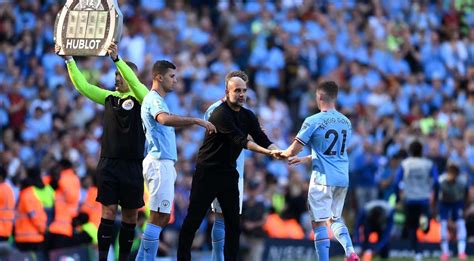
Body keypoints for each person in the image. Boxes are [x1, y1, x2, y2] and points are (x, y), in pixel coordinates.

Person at [177, 70, 282, 261]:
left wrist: (278, 151)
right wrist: (268, 153)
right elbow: (242, 141)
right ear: (227, 92)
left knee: (234, 224)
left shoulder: (248, 115)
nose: (241, 94)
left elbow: (262, 137)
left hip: (228, 172)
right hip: (208, 172)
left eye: (244, 90)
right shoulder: (219, 113)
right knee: (194, 219)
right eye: (237, 91)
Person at [56, 43, 148, 261]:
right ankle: (102, 259)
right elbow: (83, 86)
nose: (117, 78)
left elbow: (137, 85)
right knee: (107, 212)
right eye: (116, 74)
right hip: (109, 163)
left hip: (133, 164)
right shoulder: (108, 98)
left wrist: (117, 60)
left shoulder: (144, 100)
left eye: (121, 74)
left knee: (130, 215)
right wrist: (69, 59)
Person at [136, 60, 216, 261]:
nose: (175, 80)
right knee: (158, 217)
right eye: (172, 76)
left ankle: (141, 259)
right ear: (158, 77)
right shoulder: (154, 99)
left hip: (164, 163)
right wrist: (195, 120)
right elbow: (163, 119)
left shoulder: (159, 100)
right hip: (158, 163)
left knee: (161, 217)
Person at [279, 81, 359, 261]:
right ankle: (350, 251)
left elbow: (292, 150)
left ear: (319, 97)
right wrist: (305, 159)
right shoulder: (345, 122)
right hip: (342, 177)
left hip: (322, 178)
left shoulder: (313, 120)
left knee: (318, 222)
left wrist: (279, 153)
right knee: (335, 218)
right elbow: (333, 152)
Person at [395, 140, 438, 261]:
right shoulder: (429, 164)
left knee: (412, 227)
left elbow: (396, 182)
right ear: (422, 151)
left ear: (410, 151)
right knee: (425, 226)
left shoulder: (405, 164)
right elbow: (436, 182)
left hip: (410, 199)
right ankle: (425, 224)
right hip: (424, 198)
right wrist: (436, 196)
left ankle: (417, 253)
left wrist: (398, 198)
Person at [438, 164, 468, 261]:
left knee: (461, 224)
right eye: (450, 173)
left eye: (453, 173)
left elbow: (466, 194)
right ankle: (445, 253)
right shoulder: (441, 181)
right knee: (443, 224)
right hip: (444, 203)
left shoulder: (462, 182)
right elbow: (436, 194)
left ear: (457, 174)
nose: (451, 175)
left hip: (457, 203)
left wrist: (464, 207)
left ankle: (461, 252)